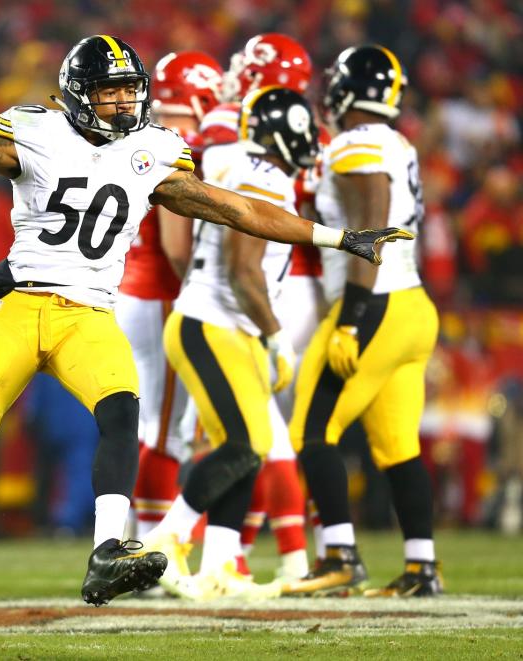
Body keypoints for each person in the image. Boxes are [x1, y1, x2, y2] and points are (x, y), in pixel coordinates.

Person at [0, 35, 409, 625]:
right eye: (108, 91)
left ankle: (107, 548)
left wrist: (335, 236)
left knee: (121, 409)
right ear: (79, 95)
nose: (121, 103)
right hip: (20, 308)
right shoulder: (36, 132)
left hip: (88, 313)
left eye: (129, 90)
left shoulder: (152, 150)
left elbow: (235, 208)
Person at [145, 87, 319, 601]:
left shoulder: (230, 161)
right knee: (244, 445)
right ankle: (165, 540)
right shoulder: (261, 179)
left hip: (224, 325)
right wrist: (277, 335)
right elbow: (243, 273)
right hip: (212, 322)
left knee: (246, 447)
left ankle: (221, 564)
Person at [282, 45, 442, 597]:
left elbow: (372, 209)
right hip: (413, 306)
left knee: (311, 431)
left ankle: (340, 554)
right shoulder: (397, 140)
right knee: (398, 445)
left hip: (372, 303)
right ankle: (423, 567)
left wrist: (350, 319)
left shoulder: (357, 141)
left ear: (349, 89)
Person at [199, 33, 317, 581]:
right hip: (244, 298)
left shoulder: (227, 141)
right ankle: (214, 549)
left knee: (248, 435)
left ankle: (233, 554)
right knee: (250, 434)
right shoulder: (247, 153)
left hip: (250, 294)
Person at [116, 50, 221, 550]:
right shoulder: (175, 146)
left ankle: (141, 537)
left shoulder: (140, 137)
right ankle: (151, 549)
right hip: (160, 294)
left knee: (153, 424)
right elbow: (178, 247)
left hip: (131, 291)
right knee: (165, 431)